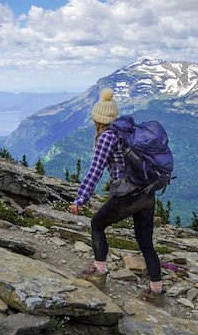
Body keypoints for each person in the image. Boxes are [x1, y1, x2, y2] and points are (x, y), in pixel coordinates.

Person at [68, 88, 164, 304]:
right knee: (145, 243)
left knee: (97, 224)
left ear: (97, 118)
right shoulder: (128, 132)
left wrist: (80, 199)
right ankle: (156, 291)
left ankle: (99, 273)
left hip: (127, 195)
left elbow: (95, 170)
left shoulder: (106, 137)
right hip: (147, 194)